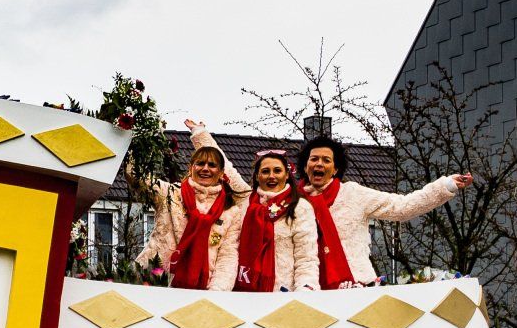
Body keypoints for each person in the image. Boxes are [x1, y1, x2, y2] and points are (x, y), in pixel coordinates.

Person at [295, 135, 473, 288]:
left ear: (335, 169)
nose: (319, 163)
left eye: (326, 160)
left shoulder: (353, 194)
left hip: (356, 287)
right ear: (305, 166)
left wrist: (446, 185)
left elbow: (402, 207)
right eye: (314, 159)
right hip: (305, 291)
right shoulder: (291, 202)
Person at [136, 121, 246, 290]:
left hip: (202, 289)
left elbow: (228, 256)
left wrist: (216, 293)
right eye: (200, 163)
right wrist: (145, 133)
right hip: (153, 283)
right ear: (191, 168)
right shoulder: (169, 193)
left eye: (212, 165)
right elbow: (136, 177)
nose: (205, 168)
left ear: (221, 173)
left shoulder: (230, 211)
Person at [210, 149, 319, 292]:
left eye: (277, 171)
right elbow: (225, 167)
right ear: (257, 176)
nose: (271, 176)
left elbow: (306, 258)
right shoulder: (245, 204)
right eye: (265, 171)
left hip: (284, 294)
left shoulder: (300, 207)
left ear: (287, 175)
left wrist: (304, 291)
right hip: (243, 292)